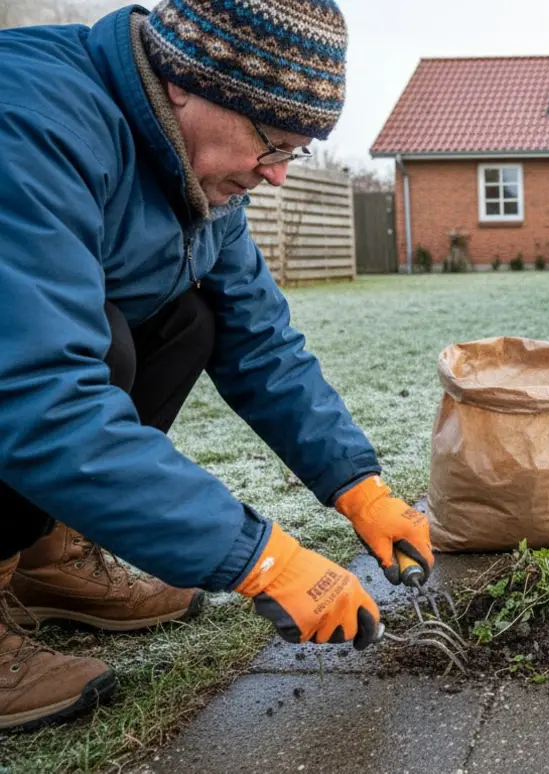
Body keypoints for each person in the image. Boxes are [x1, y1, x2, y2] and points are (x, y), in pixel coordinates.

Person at [0, 0, 434, 731]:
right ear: (187, 83)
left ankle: (45, 553)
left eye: (294, 152)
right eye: (274, 145)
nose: (279, 177)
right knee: (96, 342)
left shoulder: (192, 169)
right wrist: (257, 558)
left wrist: (357, 486)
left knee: (191, 320)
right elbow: (38, 392)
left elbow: (258, 338)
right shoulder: (32, 124)